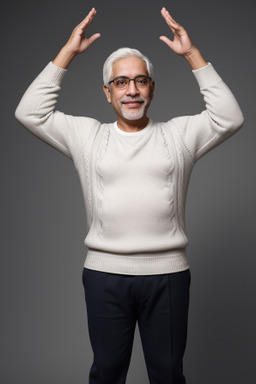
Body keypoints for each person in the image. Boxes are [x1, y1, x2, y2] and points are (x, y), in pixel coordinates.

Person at [15, 7, 244, 384]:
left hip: (168, 276)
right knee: (106, 374)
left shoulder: (179, 135)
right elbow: (30, 112)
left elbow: (229, 117)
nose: (132, 90)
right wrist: (67, 53)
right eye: (121, 83)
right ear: (107, 93)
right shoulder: (88, 137)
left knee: (168, 375)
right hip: (105, 276)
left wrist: (192, 55)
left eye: (140, 81)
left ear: (152, 88)